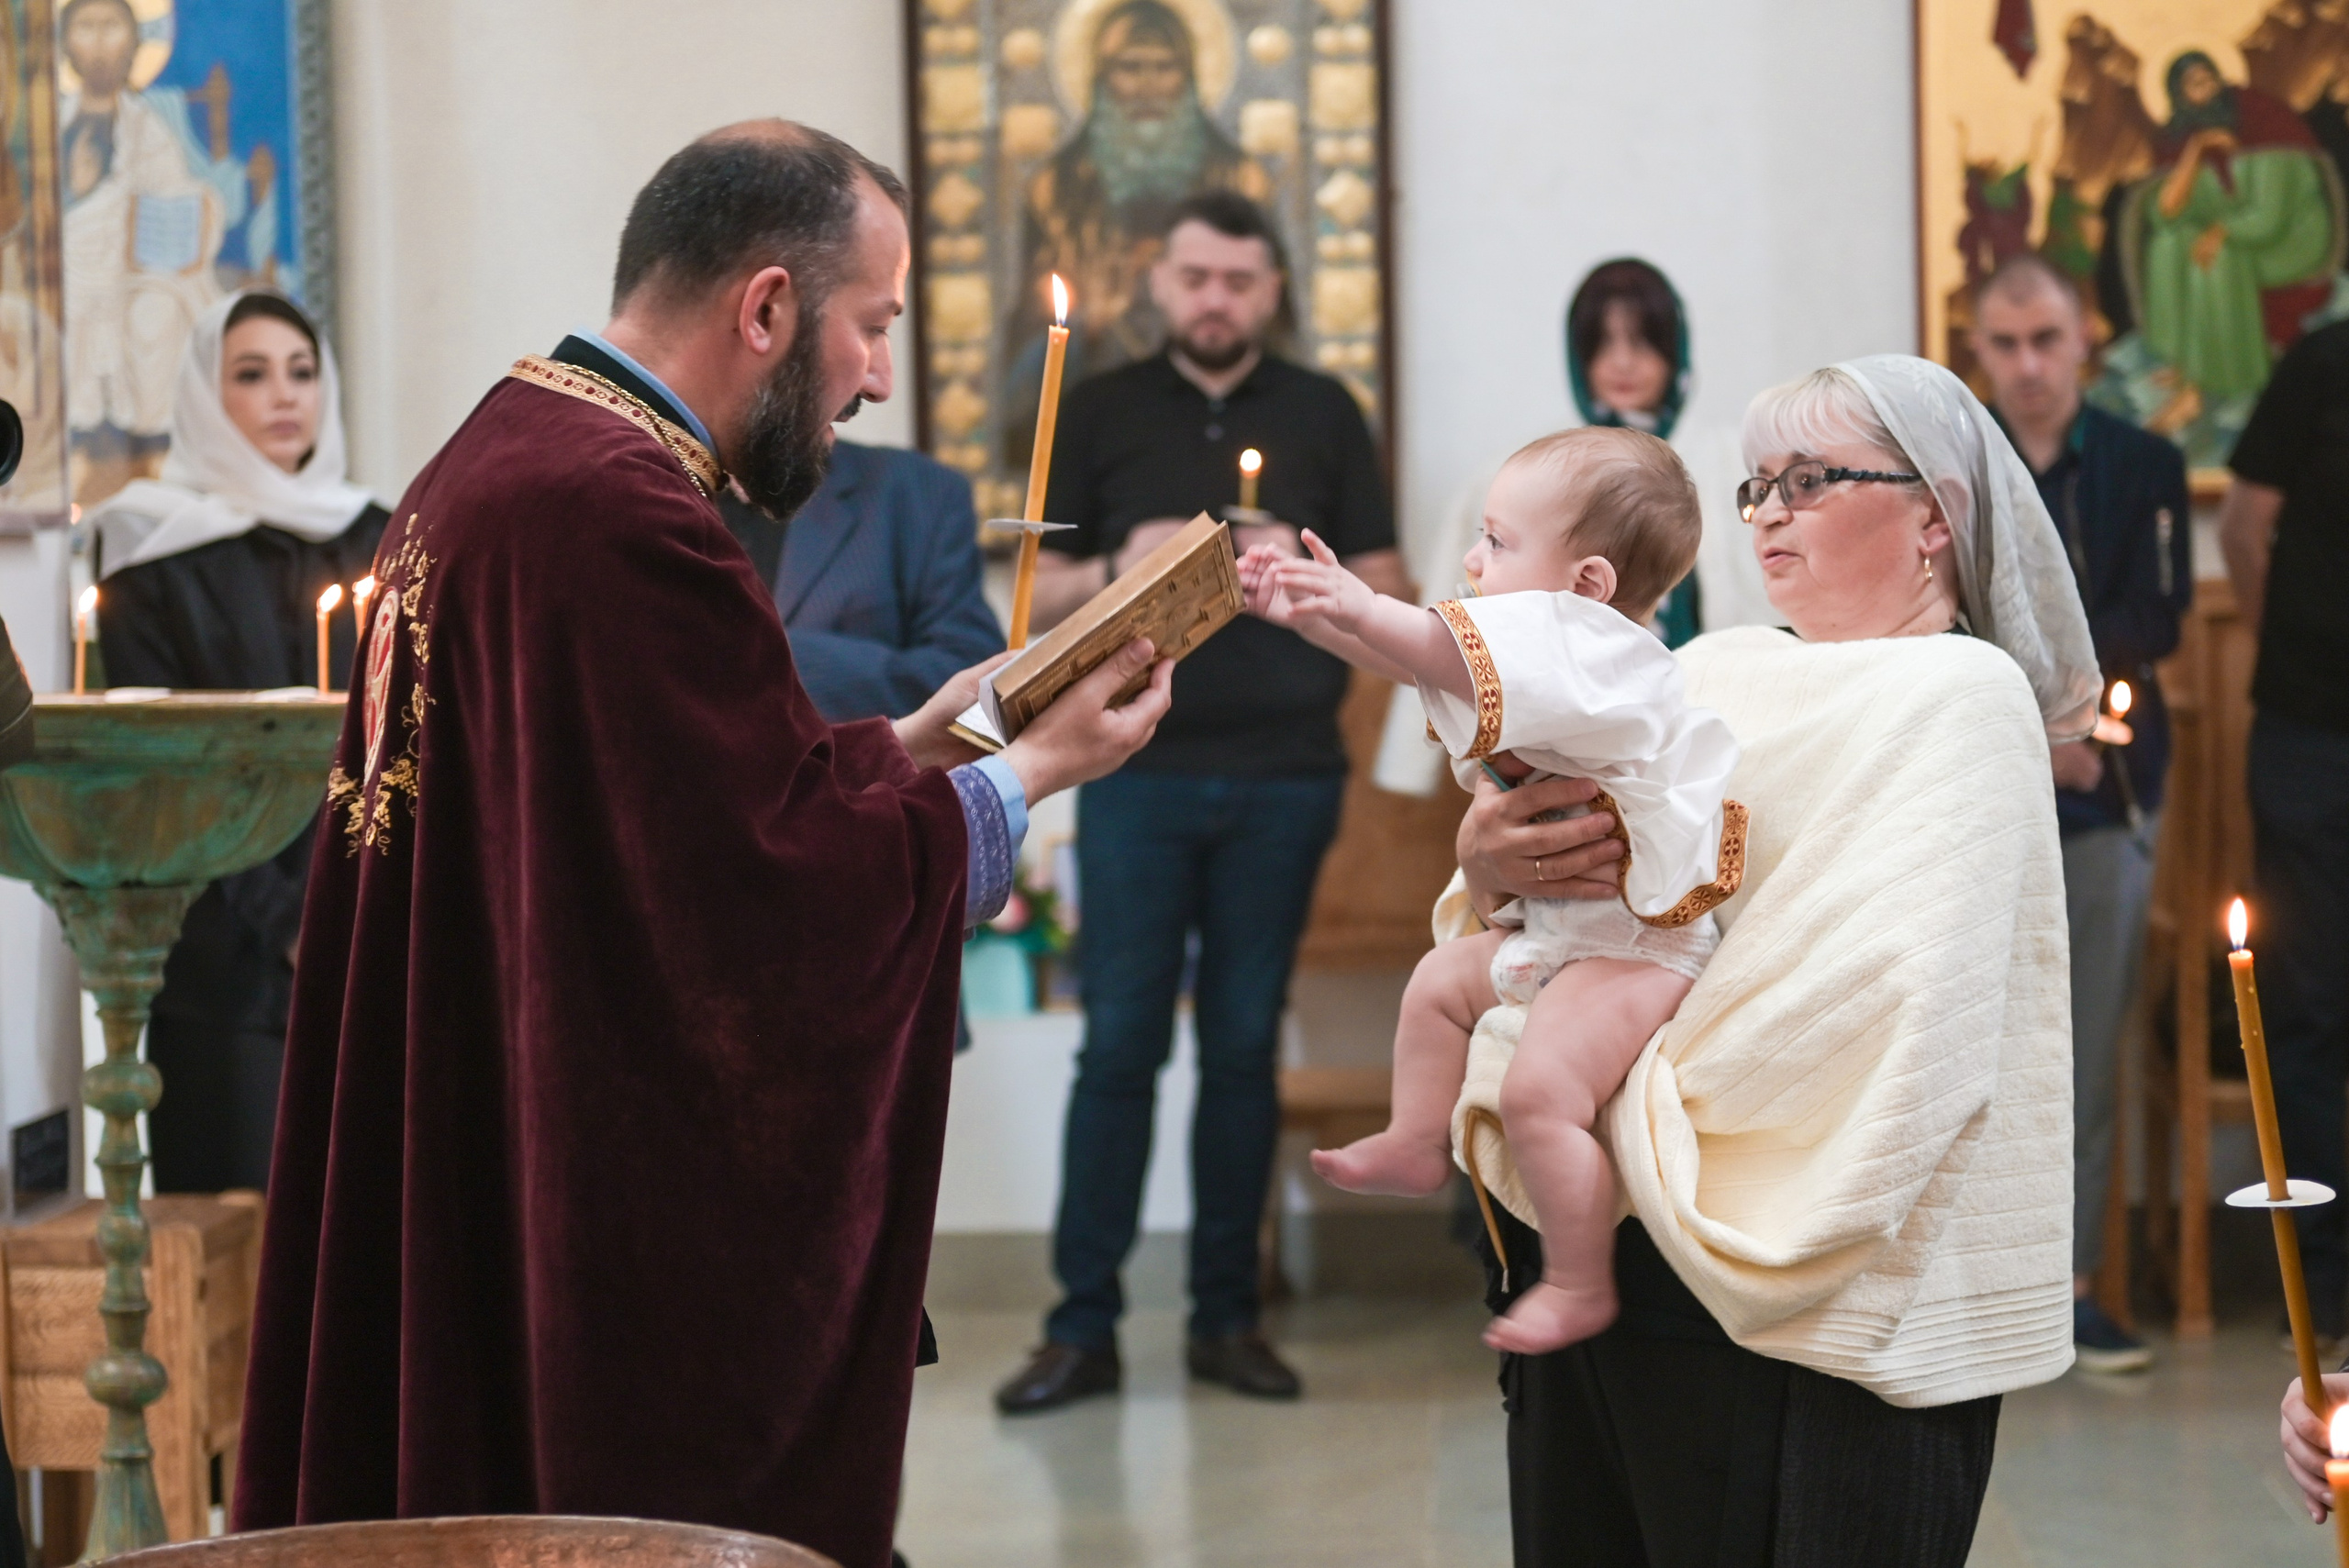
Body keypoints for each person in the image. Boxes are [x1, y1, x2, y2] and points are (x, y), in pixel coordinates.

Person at [232, 122, 1173, 1568]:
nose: (875, 376)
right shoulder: (616, 516)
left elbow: (663, 810)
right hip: (593, 1257)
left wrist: (920, 740)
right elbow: (751, 918)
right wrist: (1034, 771)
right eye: (873, 327)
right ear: (769, 309)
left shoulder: (506, 454)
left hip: (473, 1150)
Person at [1453, 355, 2094, 1565]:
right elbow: (1538, 916)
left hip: (1786, 1297)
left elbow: (1866, 1017)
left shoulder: (1961, 695)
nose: (1771, 511)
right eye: (1758, 486)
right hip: (1599, 1234)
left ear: (1933, 516)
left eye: (1812, 479)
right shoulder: (1708, 666)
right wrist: (1490, 862)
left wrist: (1574, 1089)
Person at [993, 189, 1403, 1414]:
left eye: (1240, 278)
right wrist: (1126, 560)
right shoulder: (1101, 409)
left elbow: (1387, 585)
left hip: (1286, 774)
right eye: (1196, 277)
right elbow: (1028, 581)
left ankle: (1228, 1319)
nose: (1216, 298)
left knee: (1239, 1049)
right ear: (1158, 285)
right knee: (1118, 1046)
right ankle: (1081, 1329)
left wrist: (1306, 571)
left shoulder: (1326, 412)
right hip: (1131, 771)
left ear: (1273, 292)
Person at [1241, 427, 1740, 1355]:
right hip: (1564, 930)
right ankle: (1415, 1138)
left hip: (1637, 949)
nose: (1473, 557)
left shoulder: (1599, 653)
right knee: (1437, 983)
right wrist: (1317, 617)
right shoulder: (1540, 656)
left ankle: (1579, 1280)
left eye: (1500, 542)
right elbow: (1420, 664)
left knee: (1539, 1090)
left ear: (1588, 583)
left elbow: (1429, 644)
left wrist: (1357, 598)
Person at [85, 289, 384, 1194]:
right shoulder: (150, 549)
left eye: (301, 373)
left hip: (375, 927)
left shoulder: (378, 533)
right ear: (205, 399)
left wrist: (364, 901)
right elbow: (167, 763)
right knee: (241, 1227)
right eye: (250, 375)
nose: (284, 395)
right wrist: (295, 920)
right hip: (226, 954)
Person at [1971, 251, 2192, 1375]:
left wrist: (2063, 717)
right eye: (2003, 345)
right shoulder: (1953, 471)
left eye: (2044, 341)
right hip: (1981, 799)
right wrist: (2026, 726)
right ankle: (1976, 1287)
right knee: (1973, 1046)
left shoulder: (2143, 462)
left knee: (2086, 1045)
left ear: (2082, 343)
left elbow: (2158, 615)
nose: (2027, 367)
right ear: (1976, 351)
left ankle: (2070, 1284)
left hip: (2104, 799)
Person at [1370, 258, 1770, 796]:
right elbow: (1450, 612)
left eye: (1643, 342)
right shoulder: (1525, 474)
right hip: (1565, 737)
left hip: (1699, 720)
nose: (1623, 363)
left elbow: (1764, 603)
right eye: (1602, 344)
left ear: (1675, 352)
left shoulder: (1730, 464)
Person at [2226, 315, 2349, 1361]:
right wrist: (2288, 654)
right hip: (2308, 728)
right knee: (2304, 1003)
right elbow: (2242, 524)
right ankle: (2321, 1278)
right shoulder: (2322, 362)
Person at [717, 439, 1002, 723]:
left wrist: (766, 656)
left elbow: (977, 676)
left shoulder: (920, 491)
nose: (879, 392)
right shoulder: (675, 488)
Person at [60, 0, 227, 481]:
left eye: (111, 28)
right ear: (65, 44)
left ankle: (154, 449)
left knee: (157, 313)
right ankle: (71, 453)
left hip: (136, 273)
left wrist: (196, 206)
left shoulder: (148, 127)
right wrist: (81, 188)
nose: (98, 43)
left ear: (134, 43)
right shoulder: (52, 130)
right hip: (66, 268)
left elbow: (175, 195)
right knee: (60, 315)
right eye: (86, 28)